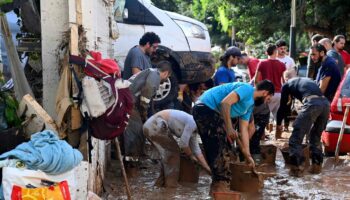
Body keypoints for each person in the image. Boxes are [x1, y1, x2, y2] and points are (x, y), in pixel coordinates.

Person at [192, 80, 274, 195]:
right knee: (219, 150)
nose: (266, 102)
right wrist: (230, 128)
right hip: (205, 108)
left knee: (227, 151)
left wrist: (248, 155)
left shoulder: (249, 105)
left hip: (215, 114)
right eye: (268, 99)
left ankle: (218, 188)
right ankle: (220, 188)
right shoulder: (247, 89)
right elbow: (225, 103)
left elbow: (244, 129)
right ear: (265, 93)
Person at [276, 71, 330, 177]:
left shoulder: (286, 85)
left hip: (312, 104)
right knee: (315, 137)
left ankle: (297, 170)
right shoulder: (307, 81)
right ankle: (316, 168)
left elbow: (283, 107)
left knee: (295, 139)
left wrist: (278, 124)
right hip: (325, 105)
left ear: (286, 79)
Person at [143, 109, 211, 187]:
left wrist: (206, 167)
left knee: (167, 155)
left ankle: (160, 183)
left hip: (153, 126)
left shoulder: (194, 132)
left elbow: (197, 150)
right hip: (154, 124)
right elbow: (183, 144)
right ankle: (172, 184)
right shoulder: (193, 122)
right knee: (173, 152)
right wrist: (191, 156)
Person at [123, 61, 172, 166]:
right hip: (128, 102)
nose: (164, 81)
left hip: (128, 100)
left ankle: (135, 158)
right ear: (166, 73)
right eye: (167, 78)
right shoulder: (155, 75)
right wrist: (144, 111)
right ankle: (131, 163)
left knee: (138, 130)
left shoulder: (150, 71)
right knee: (136, 132)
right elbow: (147, 92)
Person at [255, 44, 286, 137]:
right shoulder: (281, 64)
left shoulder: (262, 63)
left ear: (266, 52)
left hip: (266, 94)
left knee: (262, 115)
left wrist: (257, 93)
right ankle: (278, 136)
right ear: (275, 52)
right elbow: (283, 81)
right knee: (278, 116)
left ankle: (263, 136)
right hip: (278, 93)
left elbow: (256, 80)